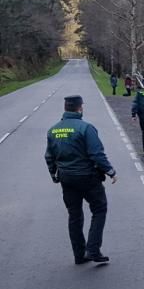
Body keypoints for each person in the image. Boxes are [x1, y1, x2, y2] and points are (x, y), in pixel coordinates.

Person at [45, 95, 117, 265]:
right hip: (87, 177)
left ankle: (79, 255)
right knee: (99, 209)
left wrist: (53, 174)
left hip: (66, 178)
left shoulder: (53, 130)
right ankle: (93, 249)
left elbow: (49, 156)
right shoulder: (86, 128)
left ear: (65, 107)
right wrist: (110, 171)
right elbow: (96, 153)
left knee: (74, 215)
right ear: (80, 108)